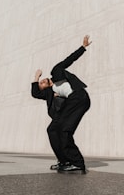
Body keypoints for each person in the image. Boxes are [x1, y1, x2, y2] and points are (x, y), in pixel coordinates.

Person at [31, 35, 92, 174]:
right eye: (40, 84)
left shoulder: (56, 72)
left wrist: (83, 47)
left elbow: (69, 60)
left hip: (79, 98)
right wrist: (35, 78)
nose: (42, 82)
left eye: (41, 81)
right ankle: (64, 161)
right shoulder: (49, 93)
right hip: (70, 104)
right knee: (52, 129)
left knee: (65, 130)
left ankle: (77, 163)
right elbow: (35, 93)